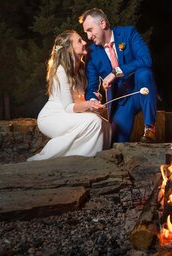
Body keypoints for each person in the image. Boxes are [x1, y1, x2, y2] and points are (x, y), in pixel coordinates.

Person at [28, 30, 111, 161]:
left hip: (71, 114)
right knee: (95, 122)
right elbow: (68, 107)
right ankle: (45, 157)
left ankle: (86, 157)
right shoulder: (61, 70)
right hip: (53, 117)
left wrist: (94, 100)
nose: (85, 42)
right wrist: (88, 104)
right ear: (69, 49)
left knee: (106, 125)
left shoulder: (81, 69)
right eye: (79, 41)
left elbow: (81, 99)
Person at [79, 8, 158, 143]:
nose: (88, 36)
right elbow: (91, 87)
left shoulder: (128, 33)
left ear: (102, 24)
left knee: (144, 73)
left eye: (90, 30)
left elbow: (146, 60)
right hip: (121, 102)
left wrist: (116, 72)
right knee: (116, 142)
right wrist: (93, 100)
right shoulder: (91, 53)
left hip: (142, 91)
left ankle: (149, 128)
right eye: (86, 32)